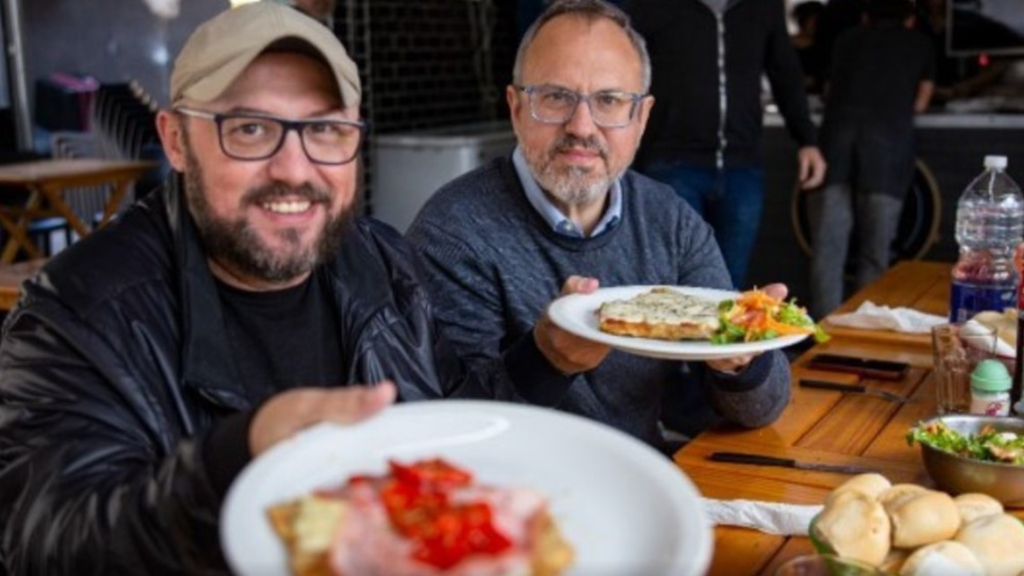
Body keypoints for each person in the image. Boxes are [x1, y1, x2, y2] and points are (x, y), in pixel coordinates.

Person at [0, 4, 581, 574]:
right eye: (250, 129)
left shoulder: (382, 259)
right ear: (176, 140)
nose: (294, 170)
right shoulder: (73, 315)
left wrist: (546, 359)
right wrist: (233, 461)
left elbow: (450, 422)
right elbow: (48, 542)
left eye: (325, 129)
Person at [406, 0, 790, 454]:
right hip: (512, 489)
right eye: (555, 97)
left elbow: (764, 408)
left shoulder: (670, 221)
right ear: (516, 107)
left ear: (641, 118)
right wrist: (545, 362)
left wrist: (740, 357)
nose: (581, 127)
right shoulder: (452, 233)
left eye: (609, 101)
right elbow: (447, 431)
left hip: (641, 472)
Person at [623, 0, 827, 288]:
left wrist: (807, 140)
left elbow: (785, 72)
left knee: (729, 283)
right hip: (671, 164)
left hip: (742, 166)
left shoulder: (763, 7)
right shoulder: (655, 6)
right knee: (670, 280)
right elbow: (624, 71)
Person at [807, 0, 935, 319]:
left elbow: (830, 88)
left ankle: (824, 330)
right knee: (875, 253)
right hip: (887, 151)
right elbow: (921, 103)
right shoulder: (920, 43)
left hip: (835, 146)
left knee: (828, 250)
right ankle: (863, 326)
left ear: (865, 16)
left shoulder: (847, 38)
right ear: (909, 18)